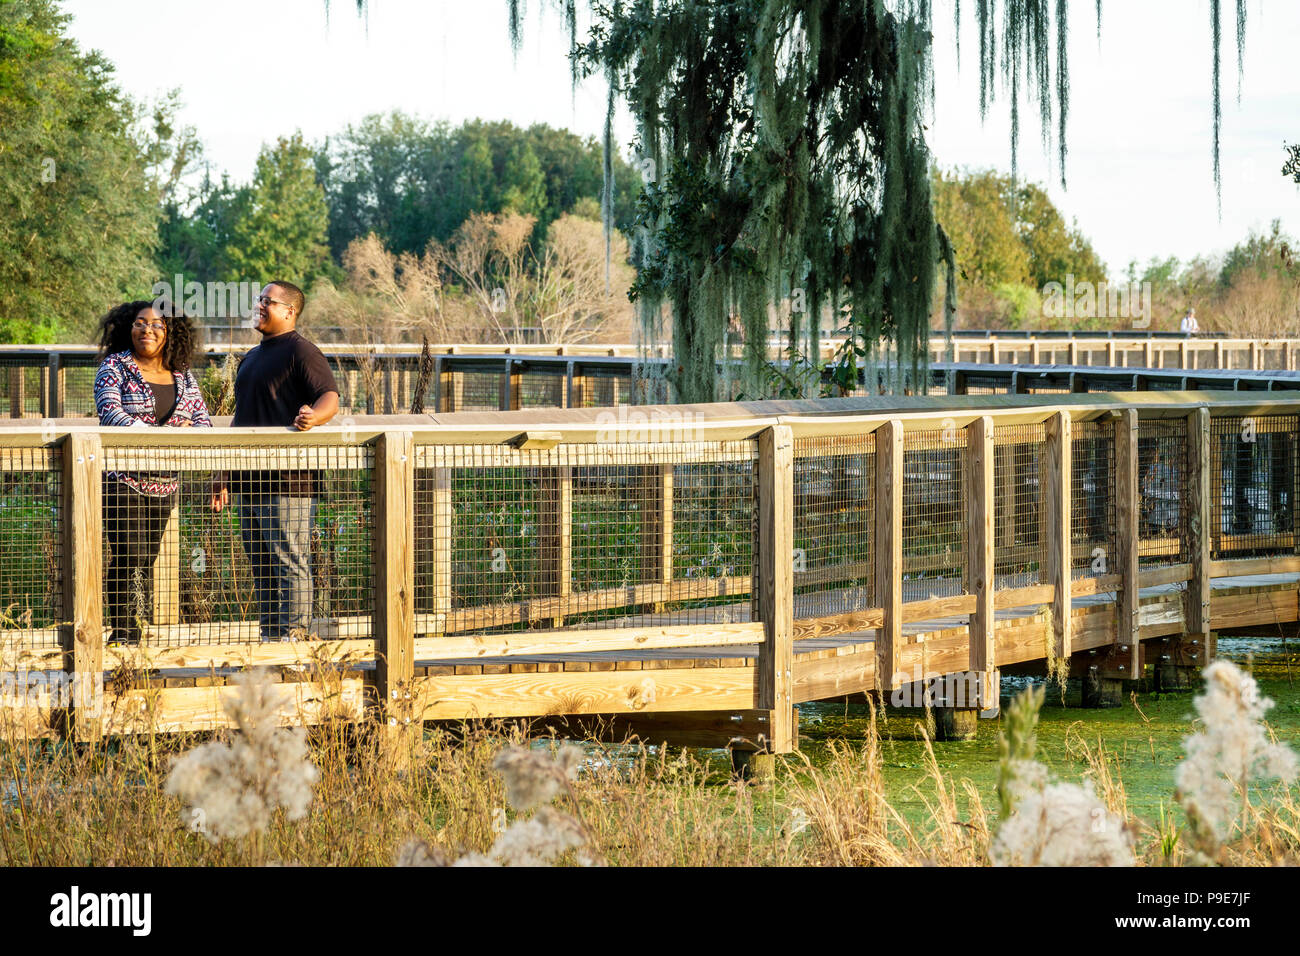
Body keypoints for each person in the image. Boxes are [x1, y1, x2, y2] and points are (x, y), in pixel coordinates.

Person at [209, 281, 339, 642]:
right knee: (262, 569)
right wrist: (223, 473)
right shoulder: (251, 357)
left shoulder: (302, 351)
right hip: (247, 481)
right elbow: (240, 420)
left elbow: (329, 396)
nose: (260, 305)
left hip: (288, 481)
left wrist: (314, 416)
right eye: (259, 300)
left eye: (269, 301)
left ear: (289, 311)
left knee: (291, 564)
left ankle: (294, 643)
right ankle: (271, 641)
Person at [94, 301, 212, 645]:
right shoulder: (115, 367)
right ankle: (125, 636)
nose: (147, 330)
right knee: (128, 555)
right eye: (140, 324)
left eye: (157, 325)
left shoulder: (182, 374)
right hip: (123, 481)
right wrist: (175, 430)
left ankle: (137, 632)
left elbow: (202, 423)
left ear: (170, 332)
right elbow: (112, 416)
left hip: (164, 484)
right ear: (127, 329)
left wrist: (165, 431)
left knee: (146, 559)